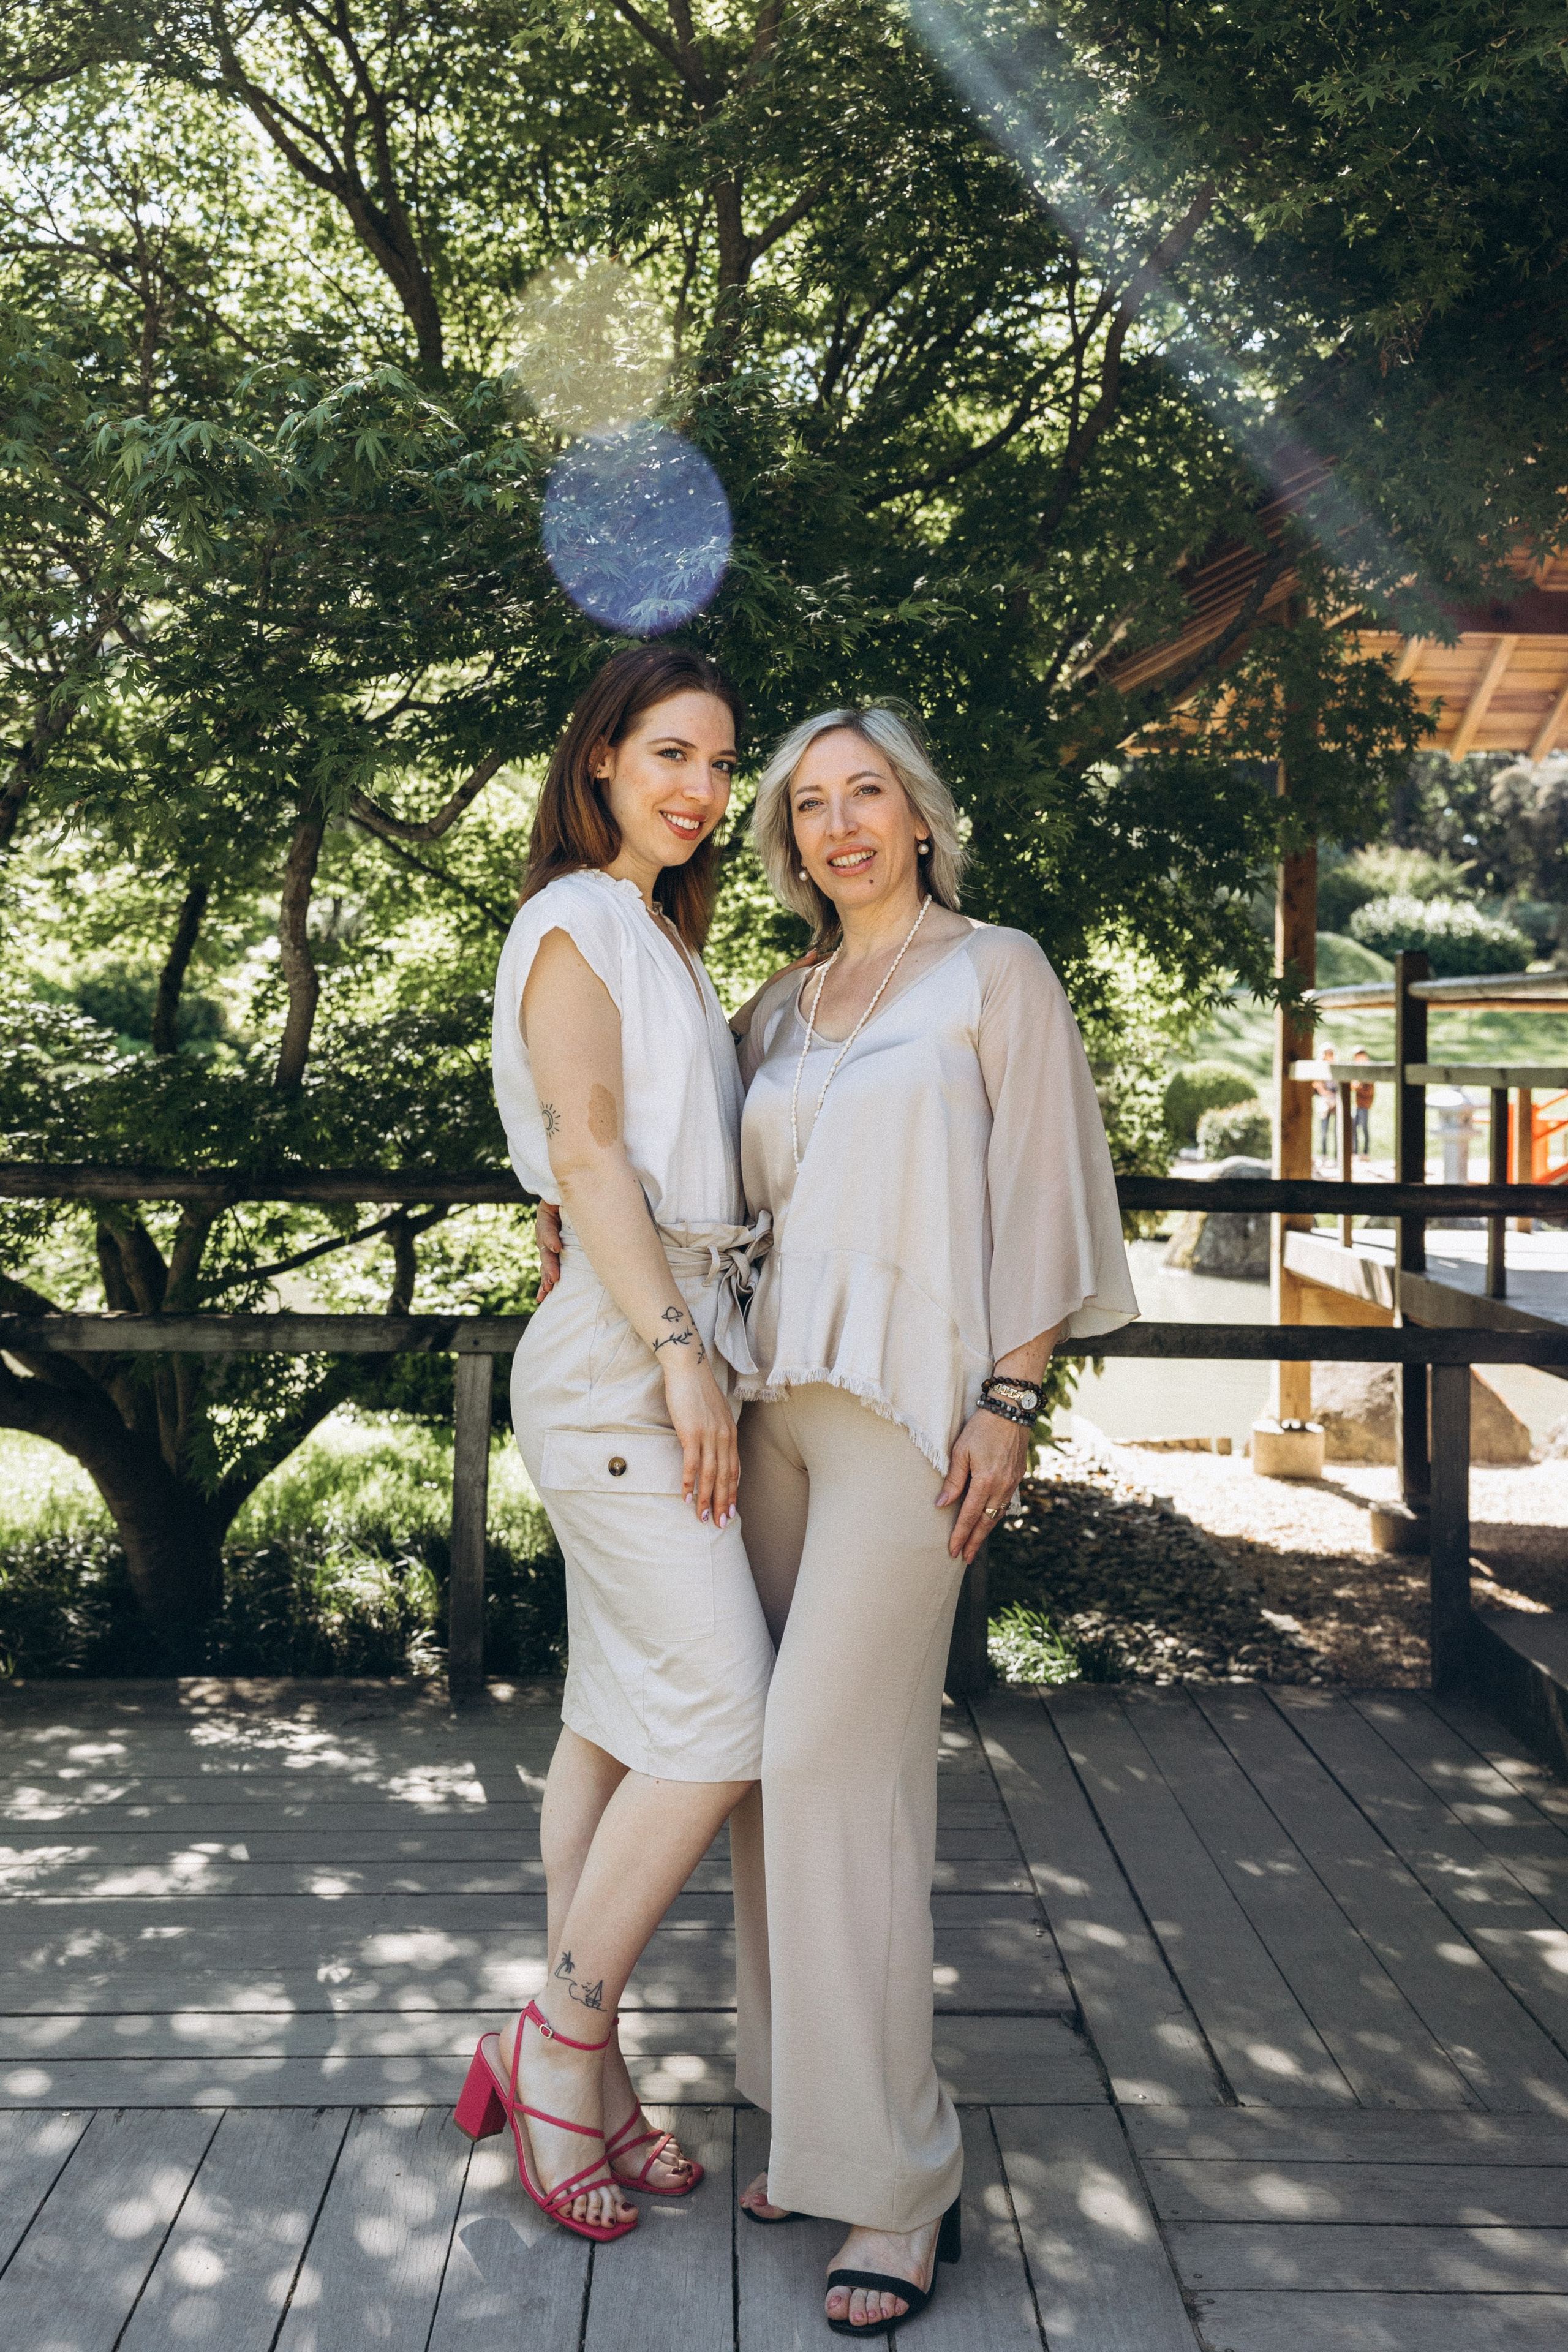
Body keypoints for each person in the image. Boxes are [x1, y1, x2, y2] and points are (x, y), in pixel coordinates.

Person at [726, 703, 1138, 2334]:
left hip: (915, 1420)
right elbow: (709, 1206)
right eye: (811, 804)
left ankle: (899, 2181)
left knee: (840, 1760)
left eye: (866, 794)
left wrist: (1012, 1399)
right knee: (770, 1765)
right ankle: (806, 2119)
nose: (841, 826)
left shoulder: (997, 972)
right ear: (790, 839)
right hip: (768, 1420)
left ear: (916, 812)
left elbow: (1045, 1189)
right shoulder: (773, 1006)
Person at [455, 645, 775, 2244]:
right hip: (634, 1363)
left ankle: (599, 2064)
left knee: (612, 1719)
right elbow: (585, 1145)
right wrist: (673, 1358)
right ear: (598, 761)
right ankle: (558, 2038)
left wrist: (682, 1331)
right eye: (670, 753)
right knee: (721, 1717)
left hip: (665, 1330)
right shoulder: (575, 917)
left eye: (722, 765)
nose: (701, 791)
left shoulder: (655, 934)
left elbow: (601, 1166)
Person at [1314, 1041, 1338, 1158]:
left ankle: (1337, 1156)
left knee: (1337, 1131)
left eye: (1330, 1053)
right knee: (1324, 1131)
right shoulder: (1319, 1067)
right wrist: (1326, 1094)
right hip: (1324, 1101)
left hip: (1336, 1101)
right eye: (1327, 1053)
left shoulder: (1337, 1066)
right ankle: (1324, 1155)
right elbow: (1318, 1086)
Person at [1352, 1047, 1374, 1157]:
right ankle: (1355, 1151)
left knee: (1364, 1128)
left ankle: (1365, 1152)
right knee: (1354, 1127)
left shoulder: (1368, 1070)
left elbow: (1369, 1090)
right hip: (1357, 1104)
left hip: (1365, 1104)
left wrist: (1358, 1087)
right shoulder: (1357, 1069)